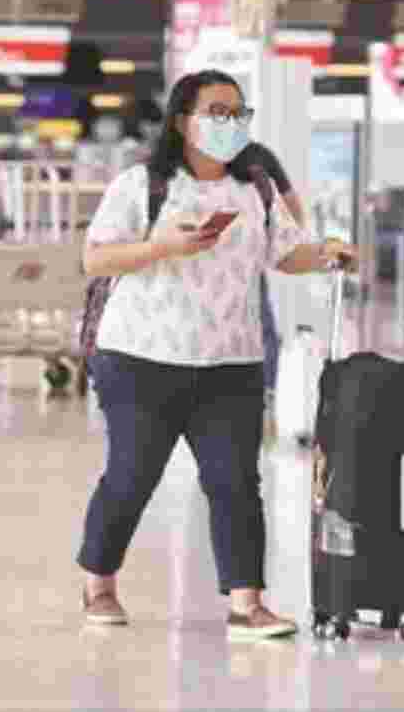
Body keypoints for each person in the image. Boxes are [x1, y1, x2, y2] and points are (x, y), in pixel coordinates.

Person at [78, 69, 354, 641]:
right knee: (132, 476)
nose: (231, 123)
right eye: (217, 112)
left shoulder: (254, 189)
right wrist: (163, 246)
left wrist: (327, 254)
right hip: (142, 358)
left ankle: (247, 604)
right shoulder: (142, 184)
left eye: (238, 112)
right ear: (184, 121)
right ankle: (98, 584)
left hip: (231, 361)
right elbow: (96, 258)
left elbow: (286, 254)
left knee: (235, 483)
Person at [230, 139, 311, 408]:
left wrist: (279, 242)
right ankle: (263, 397)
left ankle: (264, 397)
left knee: (260, 328)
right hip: (233, 261)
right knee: (260, 329)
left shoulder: (259, 157)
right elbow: (294, 210)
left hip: (242, 261)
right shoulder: (258, 156)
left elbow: (293, 209)